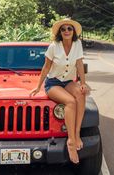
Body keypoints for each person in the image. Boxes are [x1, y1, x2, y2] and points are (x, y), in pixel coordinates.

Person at [30, 18, 89, 164]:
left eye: (70, 29)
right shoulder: (53, 47)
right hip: (53, 83)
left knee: (81, 94)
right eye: (63, 29)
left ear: (73, 31)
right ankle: (70, 141)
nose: (67, 31)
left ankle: (76, 134)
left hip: (68, 82)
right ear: (60, 32)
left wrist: (83, 83)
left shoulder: (77, 44)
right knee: (70, 101)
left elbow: (79, 64)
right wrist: (38, 87)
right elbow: (46, 67)